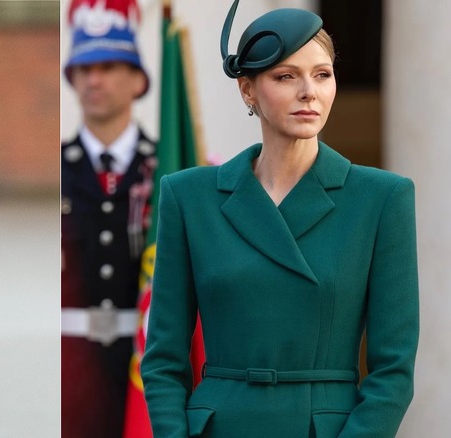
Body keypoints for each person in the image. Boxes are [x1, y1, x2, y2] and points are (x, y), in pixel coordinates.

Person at [141, 1, 419, 436]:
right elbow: (163, 360)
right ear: (247, 90)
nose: (309, 91)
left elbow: (394, 372)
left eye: (322, 74)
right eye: (286, 76)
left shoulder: (381, 198)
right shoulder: (189, 196)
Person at [61, 0, 155, 436]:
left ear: (138, 79)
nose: (93, 79)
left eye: (108, 66)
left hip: (144, 366)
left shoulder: (168, 170)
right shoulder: (57, 169)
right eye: (84, 69)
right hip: (70, 365)